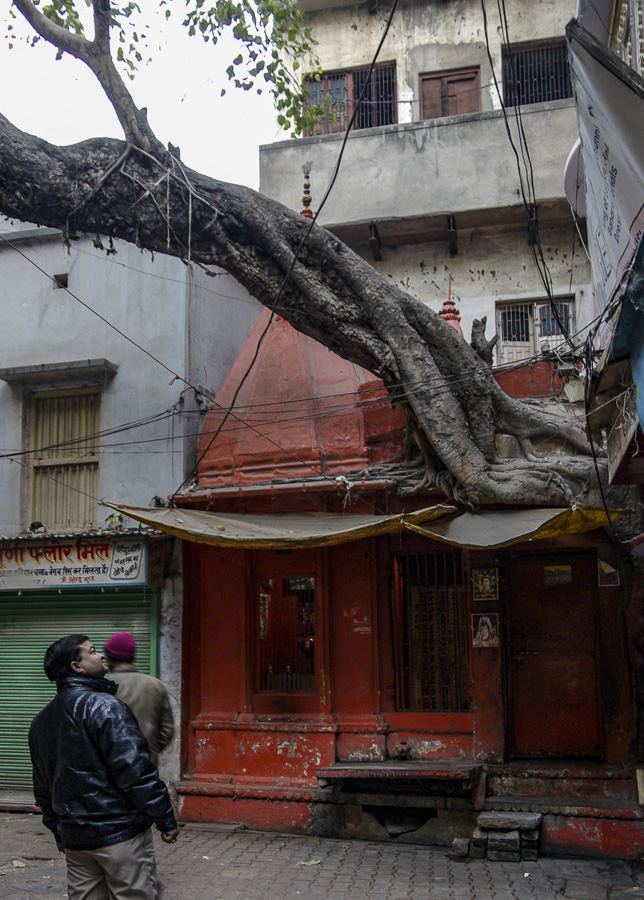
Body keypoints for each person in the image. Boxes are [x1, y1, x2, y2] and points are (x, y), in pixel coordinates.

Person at [29, 634, 179, 900]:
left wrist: (58, 830)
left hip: (76, 839)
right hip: (119, 835)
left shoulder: (41, 720)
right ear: (77, 666)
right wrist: (165, 817)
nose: (100, 656)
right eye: (92, 651)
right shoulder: (106, 707)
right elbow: (135, 770)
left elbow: (43, 786)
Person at [103, 631, 175, 768]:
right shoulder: (156, 685)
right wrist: (149, 750)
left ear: (110, 658)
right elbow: (167, 730)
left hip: (108, 766)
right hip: (145, 765)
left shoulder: (100, 684)